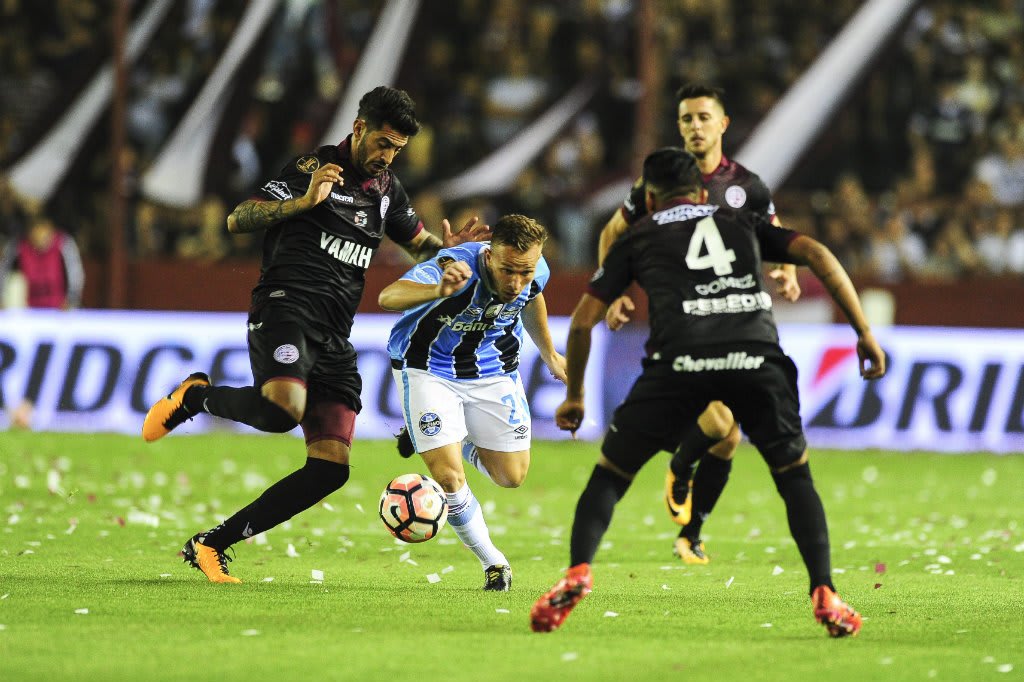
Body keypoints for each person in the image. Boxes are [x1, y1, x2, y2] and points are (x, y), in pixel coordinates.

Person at [530, 147, 886, 636]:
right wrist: (863, 331)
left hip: (679, 362)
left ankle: (577, 572)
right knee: (794, 477)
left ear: (649, 199)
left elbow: (584, 323)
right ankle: (825, 591)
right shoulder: (741, 220)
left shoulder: (637, 237)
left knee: (611, 475)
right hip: (755, 359)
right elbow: (818, 256)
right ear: (700, 191)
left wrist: (574, 395)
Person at [141, 86, 488, 583]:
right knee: (284, 408)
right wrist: (304, 202)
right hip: (286, 308)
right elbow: (240, 217)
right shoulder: (312, 168)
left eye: (397, 149)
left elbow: (420, 246)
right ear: (359, 128)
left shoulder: (388, 190)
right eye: (383, 143)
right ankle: (196, 398)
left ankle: (211, 544)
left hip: (334, 334)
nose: (387, 156)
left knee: (330, 467)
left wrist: (447, 253)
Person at [597, 83, 801, 565]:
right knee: (719, 422)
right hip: (679, 324)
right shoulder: (659, 184)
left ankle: (691, 531)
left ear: (723, 124)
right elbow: (612, 232)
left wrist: (787, 271)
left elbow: (777, 236)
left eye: (704, 117)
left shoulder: (747, 187)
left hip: (732, 320)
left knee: (728, 436)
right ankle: (682, 468)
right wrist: (613, 292)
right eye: (686, 119)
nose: (694, 127)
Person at [380, 214, 566, 591]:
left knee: (510, 477)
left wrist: (549, 354)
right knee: (449, 478)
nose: (516, 282)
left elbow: (534, 297)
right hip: (429, 367)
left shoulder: (535, 270)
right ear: (490, 256)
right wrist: (437, 291)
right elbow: (388, 297)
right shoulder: (455, 266)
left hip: (492, 370)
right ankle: (493, 563)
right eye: (507, 270)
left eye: (524, 271)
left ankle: (448, 436)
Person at [0, 216, 85, 429]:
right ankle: (15, 410)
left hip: (57, 315)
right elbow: (4, 272)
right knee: (23, 360)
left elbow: (75, 274)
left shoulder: (63, 244)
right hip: (28, 315)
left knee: (46, 360)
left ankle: (29, 409)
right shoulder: (18, 247)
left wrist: (72, 301)